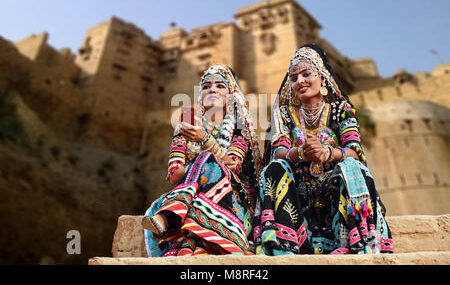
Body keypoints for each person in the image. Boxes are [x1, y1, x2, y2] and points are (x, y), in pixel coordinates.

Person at [252, 44, 394, 255]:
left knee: (352, 165)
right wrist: (300, 153)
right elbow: (279, 150)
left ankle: (359, 241)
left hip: (334, 194)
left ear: (322, 77)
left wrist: (327, 153)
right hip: (297, 196)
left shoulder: (341, 110)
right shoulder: (284, 114)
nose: (300, 81)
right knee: (275, 167)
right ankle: (284, 244)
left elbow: (354, 150)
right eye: (294, 78)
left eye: (306, 74)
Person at [142, 64, 262, 257]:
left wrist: (204, 140)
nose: (212, 89)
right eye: (206, 86)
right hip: (191, 194)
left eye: (219, 86)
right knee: (206, 160)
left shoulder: (240, 130)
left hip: (230, 197)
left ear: (231, 95)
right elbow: (174, 175)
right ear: (200, 94)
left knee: (207, 158)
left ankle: (168, 218)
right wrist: (200, 169)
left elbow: (232, 166)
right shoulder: (186, 127)